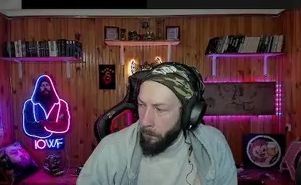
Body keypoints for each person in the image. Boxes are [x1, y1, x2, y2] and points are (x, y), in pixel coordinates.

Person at [79, 62, 236, 185]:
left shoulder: (214, 145)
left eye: (160, 109)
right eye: (141, 105)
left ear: (189, 114)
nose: (145, 121)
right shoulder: (110, 151)